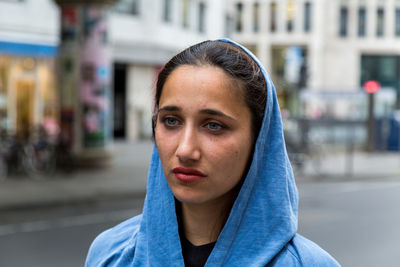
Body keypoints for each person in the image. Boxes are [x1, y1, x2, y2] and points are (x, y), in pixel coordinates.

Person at [85, 39, 340, 266]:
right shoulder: (111, 254)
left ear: (260, 138)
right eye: (171, 121)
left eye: (214, 125)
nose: (185, 150)